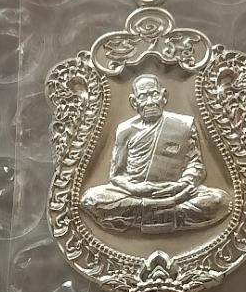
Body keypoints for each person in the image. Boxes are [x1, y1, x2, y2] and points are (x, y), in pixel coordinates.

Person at [81, 73, 230, 233]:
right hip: (136, 193)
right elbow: (116, 176)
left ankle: (140, 215)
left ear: (164, 97)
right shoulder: (125, 130)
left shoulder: (183, 125)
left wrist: (182, 185)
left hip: (176, 190)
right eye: (143, 97)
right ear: (134, 102)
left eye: (154, 95)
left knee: (220, 200)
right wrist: (135, 189)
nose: (150, 102)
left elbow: (196, 165)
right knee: (91, 199)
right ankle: (172, 213)